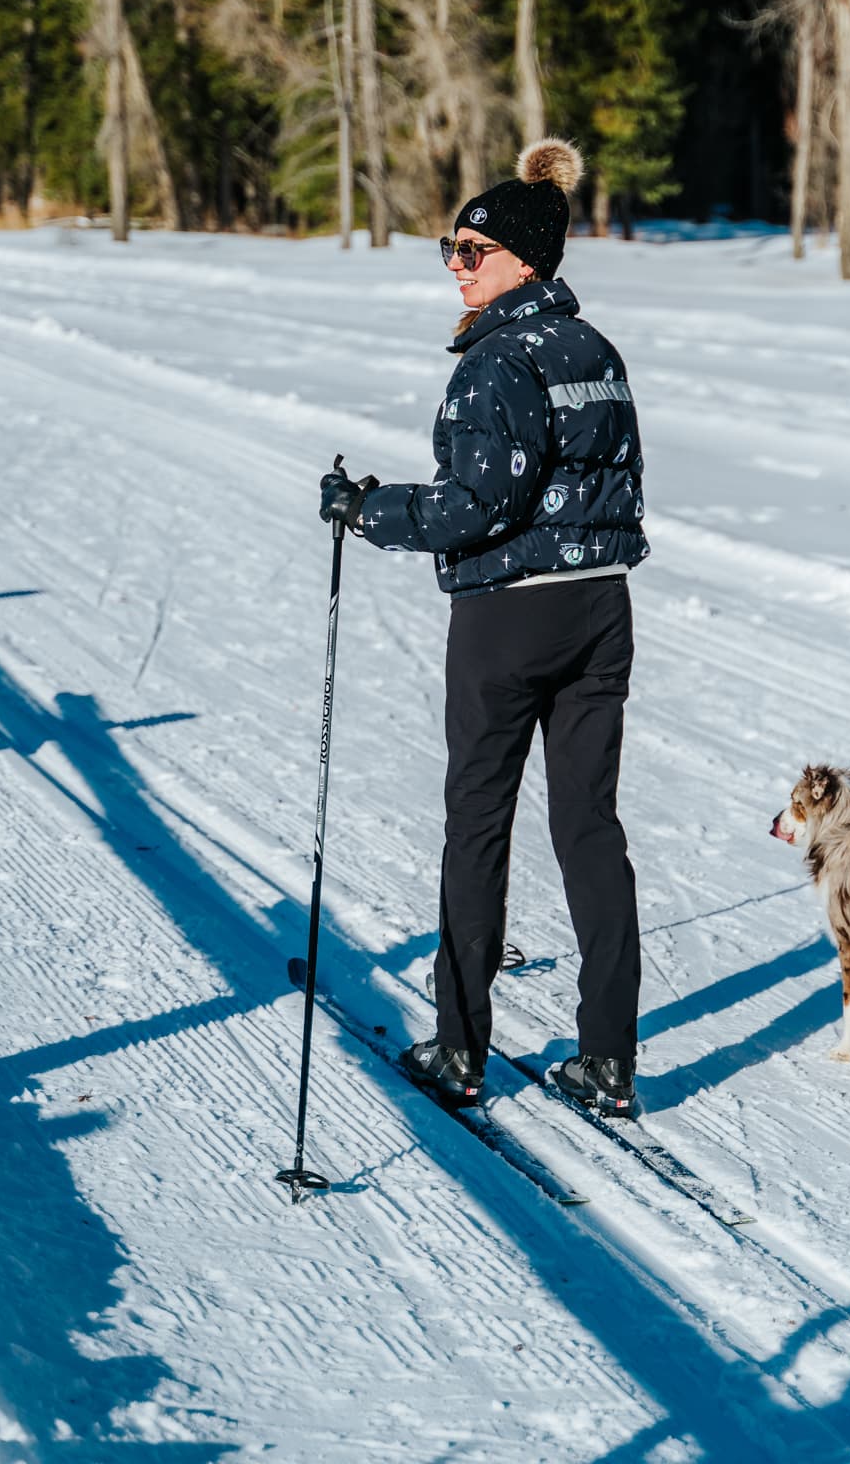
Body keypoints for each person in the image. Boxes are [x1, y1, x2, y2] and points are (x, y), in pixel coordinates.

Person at [319, 138, 649, 1116]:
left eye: (473, 249)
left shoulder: (498, 359)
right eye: (450, 248)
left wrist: (368, 510)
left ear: (526, 261)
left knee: (478, 827)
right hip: (600, 608)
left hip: (512, 616)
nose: (457, 265)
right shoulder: (595, 350)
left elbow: (477, 506)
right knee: (590, 825)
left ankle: (461, 1050)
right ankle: (609, 1060)